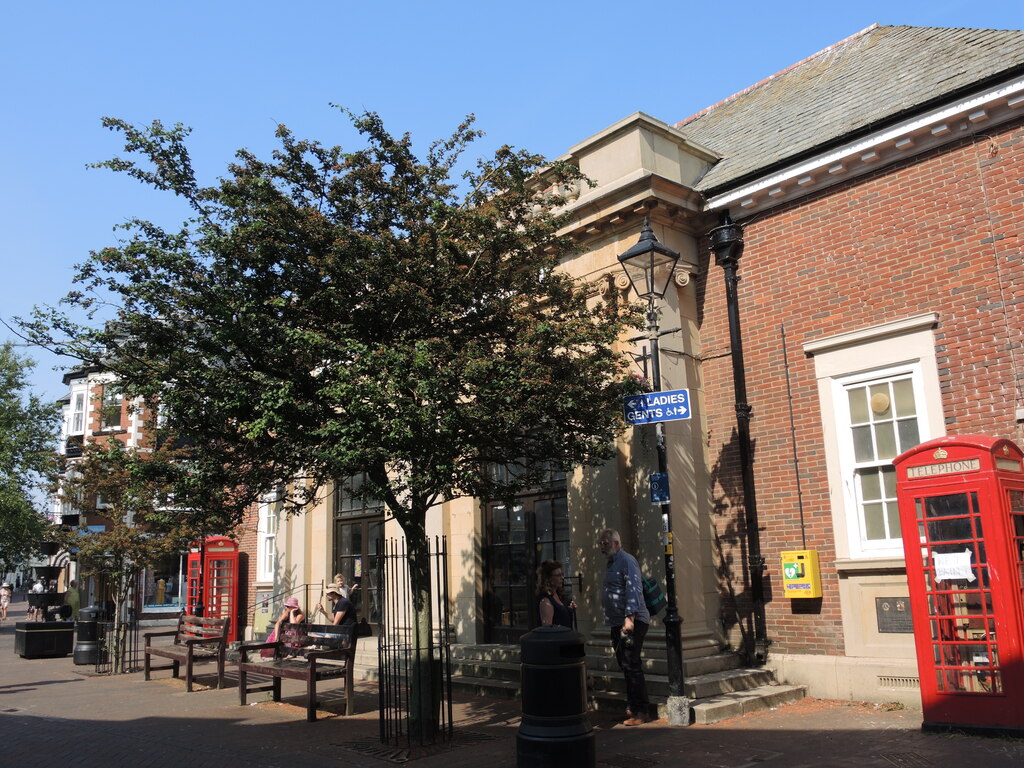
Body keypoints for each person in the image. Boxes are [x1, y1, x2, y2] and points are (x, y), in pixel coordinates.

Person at [598, 528, 651, 726]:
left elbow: (634, 588)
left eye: (605, 543)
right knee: (625, 665)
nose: (602, 547)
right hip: (617, 622)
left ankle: (642, 711)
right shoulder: (611, 563)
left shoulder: (627, 560)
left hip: (632, 622)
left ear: (617, 543)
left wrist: (630, 617)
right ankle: (632, 708)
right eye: (601, 543)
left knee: (632, 664)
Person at [536, 560, 576, 628]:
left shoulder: (558, 595)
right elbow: (547, 629)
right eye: (558, 575)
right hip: (557, 638)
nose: (562, 578)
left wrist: (569, 609)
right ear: (549, 578)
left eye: (562, 574)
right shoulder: (546, 600)